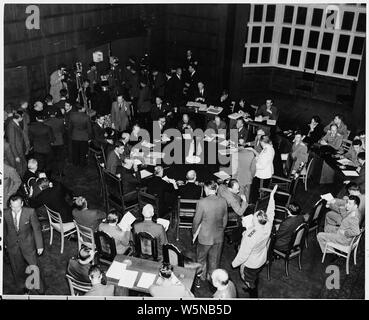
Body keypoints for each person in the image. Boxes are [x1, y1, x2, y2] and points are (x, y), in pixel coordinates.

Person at [232, 185, 278, 298]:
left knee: (246, 278)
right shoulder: (268, 225)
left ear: (256, 221)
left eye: (255, 216)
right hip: (261, 258)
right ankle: (251, 286)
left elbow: (243, 254)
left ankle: (253, 294)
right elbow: (271, 211)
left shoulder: (249, 235)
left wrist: (234, 263)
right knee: (254, 276)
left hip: (250, 263)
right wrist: (271, 197)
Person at [3, 195, 44, 294]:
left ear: (22, 204)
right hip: (12, 245)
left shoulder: (30, 212)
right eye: (13, 207)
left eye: (17, 206)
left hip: (28, 245)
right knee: (17, 269)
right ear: (10, 205)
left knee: (34, 266)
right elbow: (4, 230)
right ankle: (24, 287)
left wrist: (39, 245)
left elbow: (36, 229)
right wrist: (5, 242)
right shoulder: (5, 213)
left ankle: (40, 289)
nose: (15, 209)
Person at [193, 180, 228, 281]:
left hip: (204, 237)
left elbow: (196, 221)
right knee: (215, 260)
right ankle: (212, 279)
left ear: (206, 189)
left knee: (201, 259)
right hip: (218, 236)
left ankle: (201, 278)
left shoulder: (202, 202)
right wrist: (220, 231)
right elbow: (225, 220)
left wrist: (194, 233)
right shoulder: (223, 201)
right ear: (216, 189)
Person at [249, 135, 275, 204]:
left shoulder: (266, 150)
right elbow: (261, 157)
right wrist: (256, 159)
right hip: (265, 170)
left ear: (262, 142)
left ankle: (254, 202)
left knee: (252, 184)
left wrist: (253, 164)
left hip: (263, 174)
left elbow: (262, 165)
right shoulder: (268, 147)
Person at [5, 110, 27, 176]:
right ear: (19, 117)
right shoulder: (11, 126)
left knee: (24, 166)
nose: (23, 118)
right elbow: (12, 143)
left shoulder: (16, 123)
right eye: (22, 116)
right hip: (17, 152)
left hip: (20, 150)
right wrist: (16, 156)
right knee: (20, 170)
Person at [45, 110, 66, 177]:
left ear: (48, 113)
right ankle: (60, 172)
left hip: (50, 143)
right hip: (60, 141)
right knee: (60, 158)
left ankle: (52, 172)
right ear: (56, 113)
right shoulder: (60, 121)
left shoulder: (46, 122)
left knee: (51, 158)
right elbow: (63, 130)